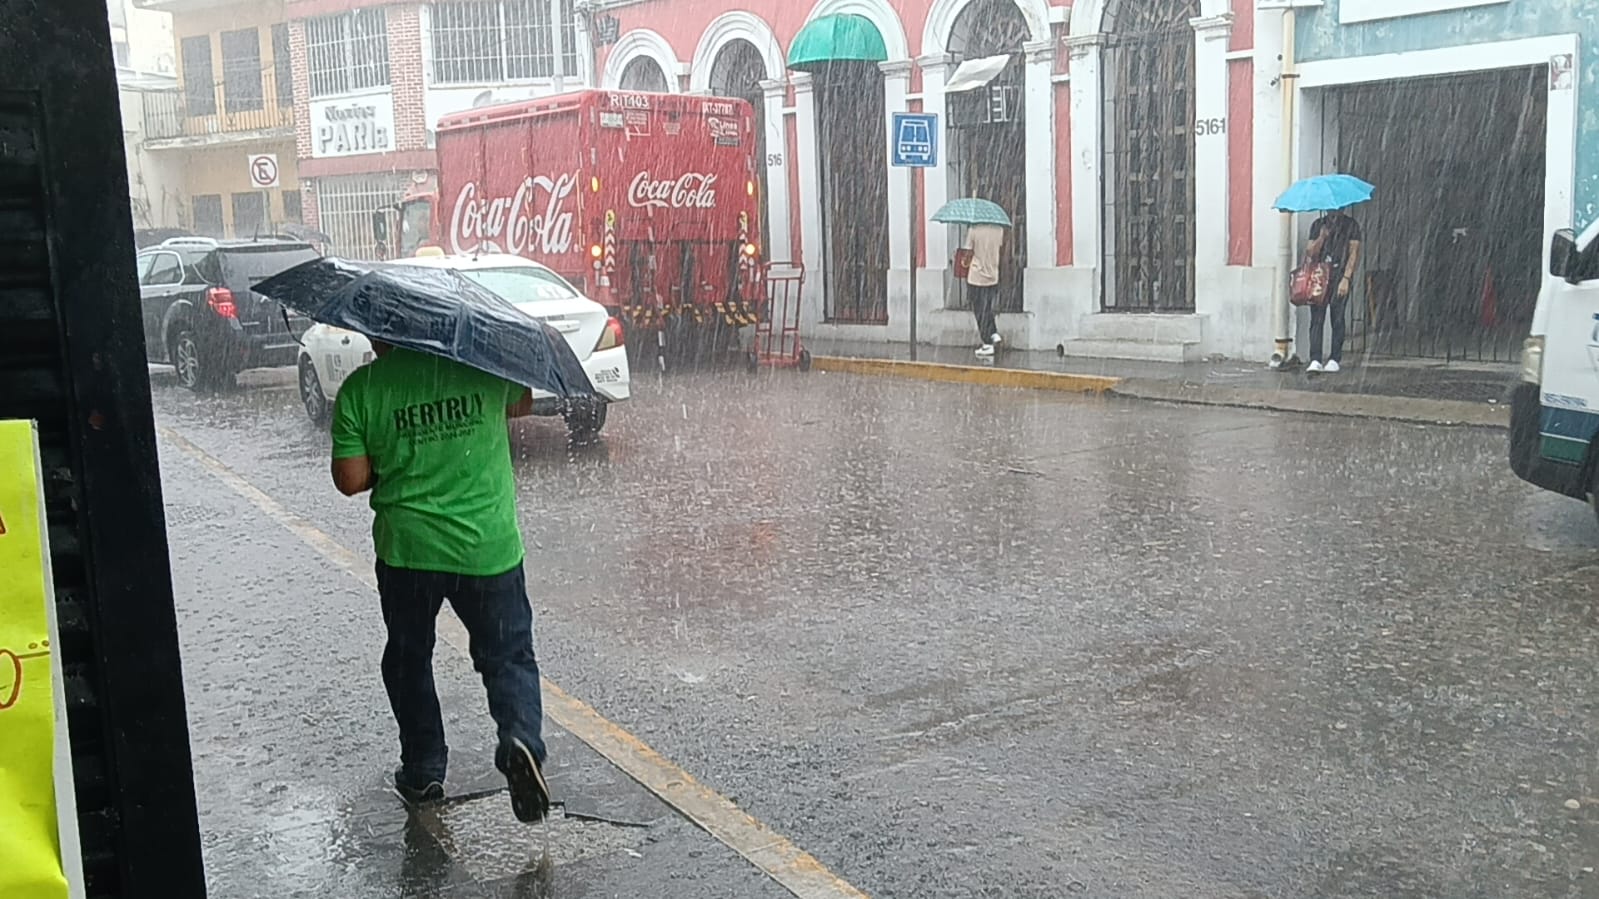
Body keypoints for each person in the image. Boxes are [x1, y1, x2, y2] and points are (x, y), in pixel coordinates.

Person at [330, 340, 551, 823]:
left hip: (409, 553)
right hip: (487, 546)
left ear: (375, 335)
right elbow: (524, 401)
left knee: (410, 658)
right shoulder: (480, 365)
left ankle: (424, 767)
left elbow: (349, 478)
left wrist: (395, 460)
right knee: (508, 655)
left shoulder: (362, 390)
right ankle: (520, 740)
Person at [1304, 207, 1363, 373]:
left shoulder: (1351, 225)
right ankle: (1315, 358)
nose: (1333, 212)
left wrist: (1346, 278)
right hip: (1319, 275)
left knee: (1337, 317)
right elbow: (1310, 252)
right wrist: (1322, 237)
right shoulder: (1318, 225)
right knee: (1316, 318)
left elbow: (1354, 253)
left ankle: (1334, 358)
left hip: (1339, 274)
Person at [964, 223, 1005, 358]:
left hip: (976, 277)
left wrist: (964, 260)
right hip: (993, 276)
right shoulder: (998, 230)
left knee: (979, 310)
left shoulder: (973, 230)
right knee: (987, 307)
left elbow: (969, 253)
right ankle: (994, 334)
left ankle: (987, 343)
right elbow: (1000, 249)